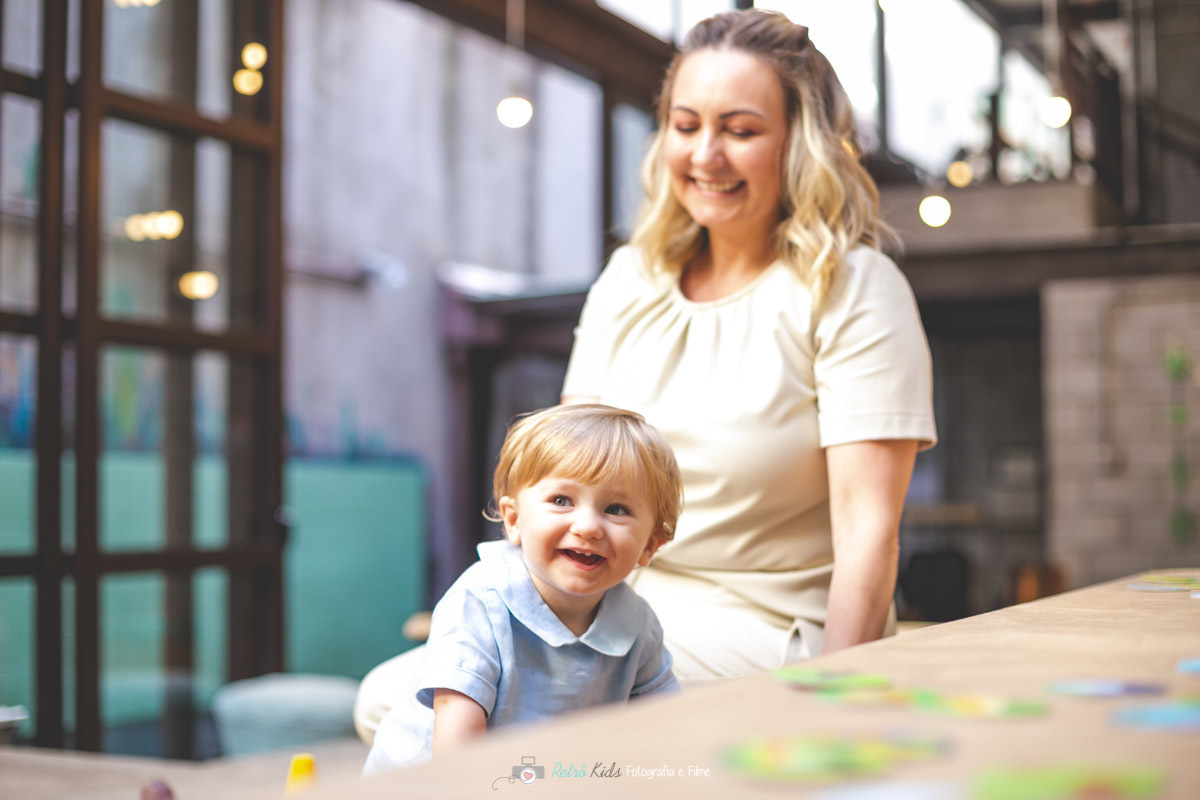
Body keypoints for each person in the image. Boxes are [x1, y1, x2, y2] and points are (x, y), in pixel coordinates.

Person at [560, 9, 937, 682]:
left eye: (739, 130)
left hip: (773, 633)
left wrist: (834, 696)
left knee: (494, 710)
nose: (705, 155)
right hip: (615, 608)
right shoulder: (629, 280)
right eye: (686, 126)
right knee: (398, 698)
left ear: (798, 145)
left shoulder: (853, 289)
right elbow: (558, 479)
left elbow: (868, 537)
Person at [361, 404, 682, 775]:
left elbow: (667, 728)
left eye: (616, 508)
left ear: (649, 546)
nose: (588, 527)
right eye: (562, 501)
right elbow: (456, 752)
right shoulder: (479, 602)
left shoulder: (638, 625)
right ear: (514, 520)